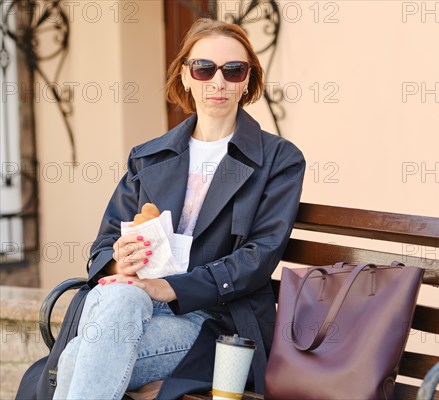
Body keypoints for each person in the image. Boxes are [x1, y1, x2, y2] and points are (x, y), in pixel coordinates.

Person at [53, 18, 305, 399]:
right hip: (131, 306)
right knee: (121, 297)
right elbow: (103, 246)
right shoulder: (148, 156)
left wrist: (168, 287)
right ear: (186, 76)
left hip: (214, 319)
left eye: (233, 70)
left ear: (247, 80)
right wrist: (122, 262)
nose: (218, 82)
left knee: (77, 358)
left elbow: (258, 258)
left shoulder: (279, 160)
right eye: (204, 69)